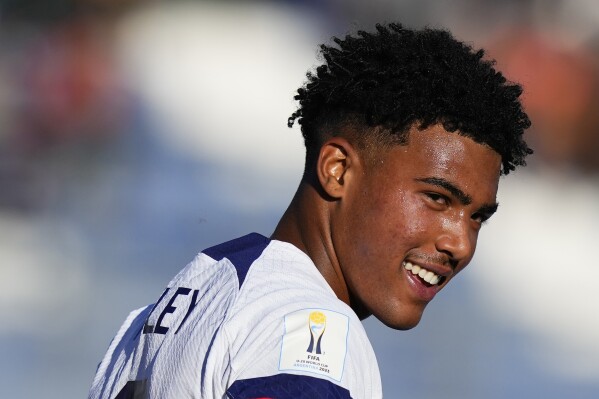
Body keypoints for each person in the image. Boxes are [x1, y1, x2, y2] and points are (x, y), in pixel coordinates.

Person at [88, 23, 532, 399]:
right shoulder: (309, 328)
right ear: (337, 170)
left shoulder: (186, 297)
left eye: (478, 216)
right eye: (437, 198)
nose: (460, 242)